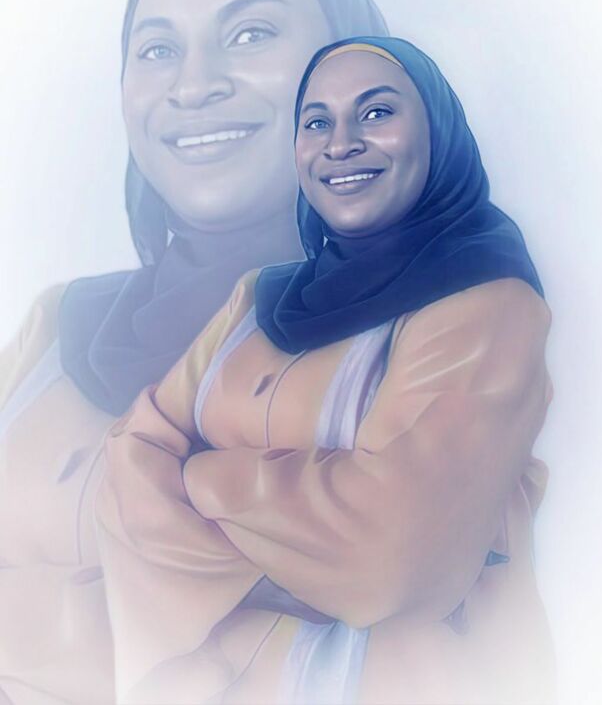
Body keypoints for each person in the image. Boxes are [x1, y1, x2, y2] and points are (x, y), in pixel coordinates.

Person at [96, 38, 556, 705]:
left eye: (376, 113)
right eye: (317, 121)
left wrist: (198, 479)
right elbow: (128, 459)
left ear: (437, 131)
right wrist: (281, 566)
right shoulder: (257, 301)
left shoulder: (489, 304)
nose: (340, 143)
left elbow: (393, 551)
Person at [0, 0, 387, 705]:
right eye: (156, 49)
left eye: (250, 33)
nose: (193, 83)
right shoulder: (59, 326)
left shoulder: (428, 346)